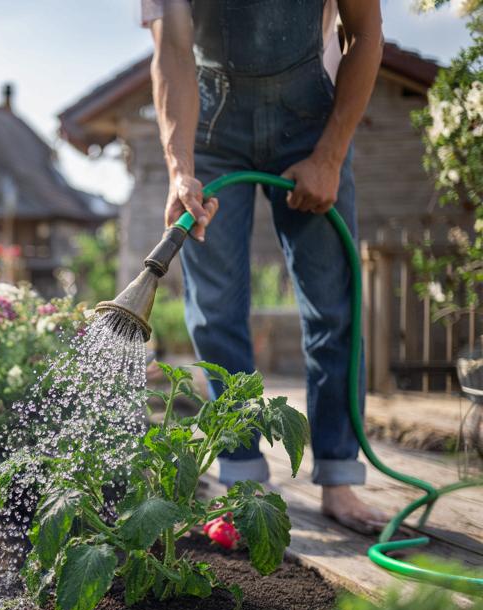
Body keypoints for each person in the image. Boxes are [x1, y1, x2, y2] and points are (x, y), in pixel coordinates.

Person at [145, 0, 390, 533]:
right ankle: (243, 475)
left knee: (333, 305)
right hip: (210, 126)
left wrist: (328, 157)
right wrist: (179, 168)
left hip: (309, 121)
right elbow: (173, 50)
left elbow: (366, 33)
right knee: (214, 309)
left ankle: (339, 476)